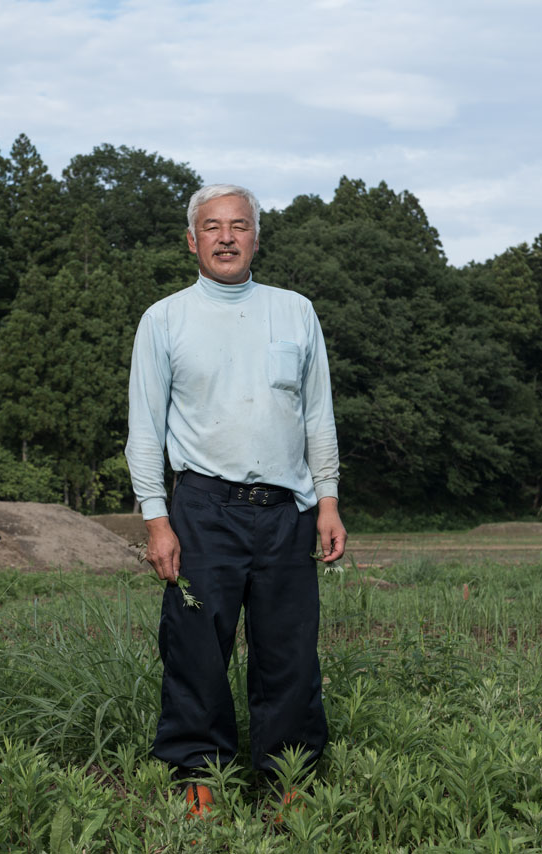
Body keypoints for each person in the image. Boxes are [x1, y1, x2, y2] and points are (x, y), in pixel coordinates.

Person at [126, 183, 346, 815]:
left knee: (289, 654)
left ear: (257, 237)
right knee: (195, 651)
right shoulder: (165, 319)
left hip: (286, 511)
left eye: (240, 226)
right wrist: (156, 520)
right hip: (201, 510)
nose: (227, 237)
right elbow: (144, 428)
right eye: (213, 227)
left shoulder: (295, 312)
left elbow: (318, 418)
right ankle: (201, 780)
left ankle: (288, 781)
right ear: (191, 240)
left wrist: (327, 502)